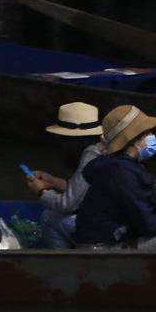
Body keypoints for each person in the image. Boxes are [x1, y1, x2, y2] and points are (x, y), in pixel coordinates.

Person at [74, 105, 156, 250]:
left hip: (115, 239)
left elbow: (149, 206)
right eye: (146, 132)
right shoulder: (122, 173)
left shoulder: (125, 166)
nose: (152, 135)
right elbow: (147, 223)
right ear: (132, 140)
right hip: (101, 248)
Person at [24, 102, 104, 249]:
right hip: (114, 221)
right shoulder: (102, 149)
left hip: (107, 229)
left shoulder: (91, 157)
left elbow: (66, 205)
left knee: (49, 217)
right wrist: (53, 181)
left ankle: (64, 265)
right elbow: (84, 189)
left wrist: (41, 191)